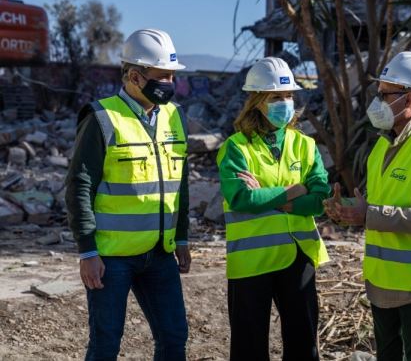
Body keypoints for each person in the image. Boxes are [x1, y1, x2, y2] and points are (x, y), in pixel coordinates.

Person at [324, 52, 411, 361]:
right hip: (382, 282)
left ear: (408, 99)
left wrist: (369, 214)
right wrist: (346, 209)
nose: (377, 102)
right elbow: (380, 204)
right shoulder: (383, 145)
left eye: (384, 94)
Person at [66, 28, 191, 361]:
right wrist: (87, 251)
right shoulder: (102, 118)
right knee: (106, 344)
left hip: (160, 253)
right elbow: (79, 185)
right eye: (163, 75)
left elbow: (181, 183)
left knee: (174, 337)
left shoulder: (175, 116)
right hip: (111, 258)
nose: (170, 82)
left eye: (172, 76)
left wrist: (182, 239)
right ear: (135, 76)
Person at [217, 57, 330, 361]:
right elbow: (242, 198)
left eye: (289, 96)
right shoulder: (236, 148)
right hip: (252, 261)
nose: (285, 103)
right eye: (276, 97)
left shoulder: (305, 145)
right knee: (249, 348)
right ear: (257, 101)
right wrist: (295, 191)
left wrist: (274, 197)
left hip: (299, 256)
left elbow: (320, 199)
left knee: (304, 344)